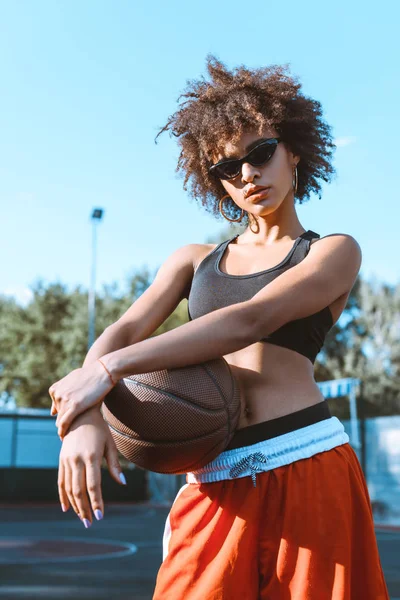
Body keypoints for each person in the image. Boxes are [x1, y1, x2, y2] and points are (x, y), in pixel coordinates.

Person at [49, 56, 389, 599]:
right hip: (211, 478)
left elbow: (251, 319)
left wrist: (107, 373)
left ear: (294, 150)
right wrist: (85, 416)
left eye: (260, 153)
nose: (248, 174)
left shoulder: (332, 252)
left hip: (307, 463)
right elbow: (119, 331)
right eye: (228, 168)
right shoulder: (192, 260)